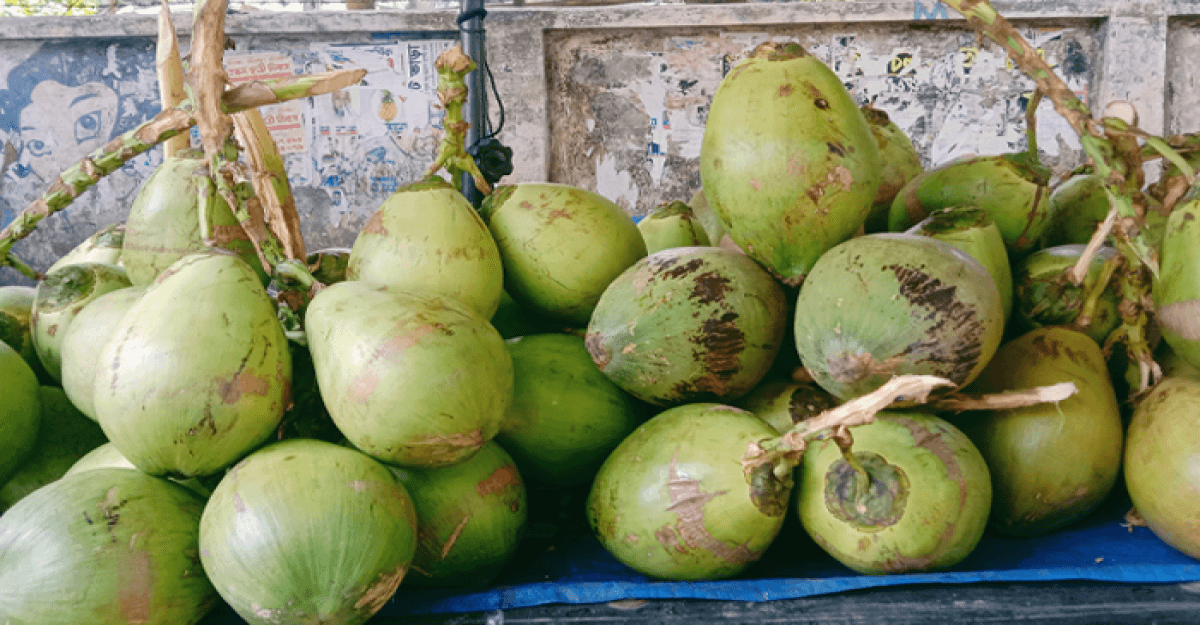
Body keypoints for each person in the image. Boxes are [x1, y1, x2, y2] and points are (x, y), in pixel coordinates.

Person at [0, 37, 159, 227]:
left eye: (88, 123)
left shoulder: (155, 195)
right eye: (38, 145)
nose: (70, 162)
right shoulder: (18, 215)